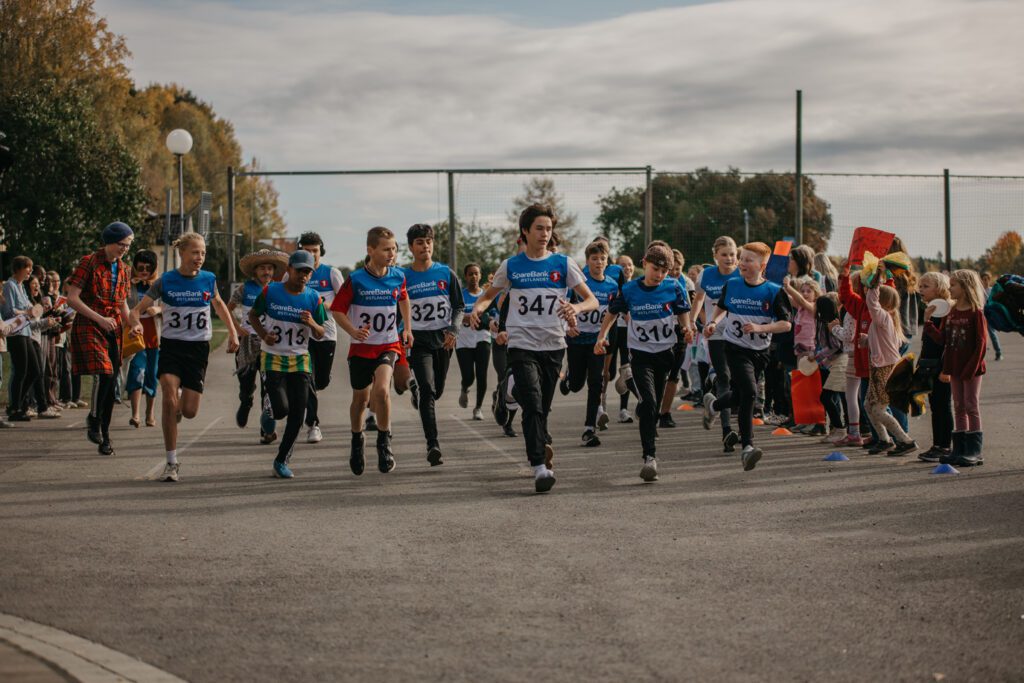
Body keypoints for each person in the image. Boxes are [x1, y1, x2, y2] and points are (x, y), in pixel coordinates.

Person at [469, 204, 597, 493]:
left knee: (544, 407)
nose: (544, 233)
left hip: (553, 345)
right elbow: (489, 296)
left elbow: (592, 300)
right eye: (539, 228)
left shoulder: (563, 264)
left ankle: (508, 394)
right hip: (522, 344)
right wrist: (478, 308)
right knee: (535, 406)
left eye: (549, 228)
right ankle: (539, 466)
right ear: (525, 231)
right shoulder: (511, 266)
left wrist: (575, 306)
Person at [129, 232, 240, 481]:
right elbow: (136, 311)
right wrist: (135, 323)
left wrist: (233, 333)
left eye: (202, 253)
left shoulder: (208, 279)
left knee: (189, 411)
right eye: (195, 252)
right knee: (168, 397)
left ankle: (178, 402)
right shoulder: (166, 281)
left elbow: (220, 305)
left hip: (197, 349)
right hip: (171, 347)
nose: (199, 257)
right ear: (182, 253)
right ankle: (171, 462)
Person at [595, 244, 692, 480]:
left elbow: (682, 311)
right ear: (644, 263)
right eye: (655, 269)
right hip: (639, 355)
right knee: (648, 402)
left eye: (664, 271)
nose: (659, 275)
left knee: (653, 407)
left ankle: (630, 384)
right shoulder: (629, 290)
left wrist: (687, 327)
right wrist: (602, 336)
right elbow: (612, 312)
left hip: (664, 354)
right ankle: (650, 458)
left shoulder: (673, 286)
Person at [702, 242, 792, 471]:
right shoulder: (731, 285)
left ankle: (714, 406)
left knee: (741, 394)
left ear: (762, 266)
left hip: (760, 352)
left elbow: (786, 325)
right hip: (734, 348)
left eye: (748, 260)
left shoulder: (773, 291)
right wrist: (713, 322)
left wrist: (761, 328)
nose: (742, 263)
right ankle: (748, 448)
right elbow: (722, 307)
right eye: (741, 259)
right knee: (750, 393)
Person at [331, 227, 412, 476]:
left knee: (381, 391)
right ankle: (357, 440)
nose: (392, 253)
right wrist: (353, 332)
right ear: (371, 250)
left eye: (395, 249)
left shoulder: (398, 276)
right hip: (361, 349)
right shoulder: (356, 279)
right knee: (361, 400)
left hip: (388, 344)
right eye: (387, 249)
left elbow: (404, 299)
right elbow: (337, 310)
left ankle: (384, 442)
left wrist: (407, 328)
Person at [247, 250, 327, 478]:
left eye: (307, 272)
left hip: (300, 360)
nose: (302, 275)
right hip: (272, 358)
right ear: (289, 270)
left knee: (298, 414)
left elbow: (321, 333)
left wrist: (312, 322)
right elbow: (253, 316)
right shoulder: (271, 291)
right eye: (299, 270)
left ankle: (281, 460)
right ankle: (269, 410)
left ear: (311, 274)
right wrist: (264, 334)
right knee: (281, 409)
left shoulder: (313, 298)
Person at [64, 224, 136, 454]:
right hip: (90, 323)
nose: (124, 249)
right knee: (104, 372)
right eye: (121, 244)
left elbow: (123, 303)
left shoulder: (124, 269)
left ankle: (105, 435)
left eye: (128, 245)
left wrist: (133, 324)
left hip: (112, 327)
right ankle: (93, 418)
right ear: (109, 241)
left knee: (111, 379)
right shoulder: (89, 262)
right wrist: (100, 318)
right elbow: (72, 298)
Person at [402, 223, 463, 466]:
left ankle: (417, 390)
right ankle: (432, 444)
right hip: (418, 341)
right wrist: (402, 333)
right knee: (428, 389)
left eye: (428, 241)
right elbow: (397, 309)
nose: (425, 246)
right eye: (419, 242)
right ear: (411, 247)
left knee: (435, 391)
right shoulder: (404, 277)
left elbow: (459, 306)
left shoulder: (446, 273)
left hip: (443, 340)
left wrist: (454, 328)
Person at [924, 270, 988, 467]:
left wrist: (971, 368)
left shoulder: (976, 313)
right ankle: (959, 449)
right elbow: (943, 339)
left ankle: (974, 451)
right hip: (955, 368)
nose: (949, 288)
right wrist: (927, 322)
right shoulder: (951, 312)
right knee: (959, 406)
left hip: (971, 369)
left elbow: (981, 344)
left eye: (953, 285)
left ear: (965, 287)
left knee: (971, 406)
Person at [562, 240, 619, 447]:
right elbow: (564, 304)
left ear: (607, 261)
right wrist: (568, 325)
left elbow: (612, 313)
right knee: (577, 385)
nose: (598, 262)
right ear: (587, 261)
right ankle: (568, 378)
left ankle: (589, 429)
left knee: (596, 382)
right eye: (594, 259)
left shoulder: (612, 285)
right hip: (577, 339)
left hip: (597, 341)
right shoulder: (580, 283)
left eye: (602, 259)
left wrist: (606, 336)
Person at [230, 249, 288, 444]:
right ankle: (245, 402)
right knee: (246, 383)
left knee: (269, 387)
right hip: (247, 342)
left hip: (269, 343)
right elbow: (226, 309)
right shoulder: (244, 289)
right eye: (262, 268)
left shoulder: (278, 289)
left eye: (270, 268)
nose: (266, 272)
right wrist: (236, 328)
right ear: (254, 271)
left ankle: (266, 429)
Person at [291, 232, 345, 443]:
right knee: (307, 379)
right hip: (301, 335)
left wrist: (320, 305)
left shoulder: (331, 273)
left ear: (320, 251)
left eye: (314, 250)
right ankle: (313, 424)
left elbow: (343, 302)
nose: (311, 254)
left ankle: (320, 383)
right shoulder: (293, 273)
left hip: (326, 333)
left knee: (320, 381)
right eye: (306, 250)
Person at [690, 237, 742, 451]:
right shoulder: (706, 275)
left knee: (743, 384)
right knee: (724, 378)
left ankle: (714, 406)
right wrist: (692, 321)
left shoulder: (743, 273)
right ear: (715, 256)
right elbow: (699, 299)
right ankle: (727, 432)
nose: (729, 258)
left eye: (732, 254)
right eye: (724, 254)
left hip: (741, 336)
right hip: (716, 333)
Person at [861, 277, 917, 456]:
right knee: (869, 405)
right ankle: (884, 440)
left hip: (886, 369)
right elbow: (882, 341)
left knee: (878, 409)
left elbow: (871, 302)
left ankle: (906, 441)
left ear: (881, 302)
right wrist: (867, 340)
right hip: (878, 368)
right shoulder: (883, 321)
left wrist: (875, 283)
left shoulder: (883, 317)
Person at [915, 272, 954, 462]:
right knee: (935, 406)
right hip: (929, 365)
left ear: (939, 288)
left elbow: (942, 341)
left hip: (942, 366)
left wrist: (928, 320)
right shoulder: (932, 309)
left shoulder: (944, 311)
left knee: (943, 406)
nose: (921, 289)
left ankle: (945, 446)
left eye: (925, 286)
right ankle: (937, 444)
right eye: (920, 286)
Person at [656, 248, 696, 429]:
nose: (673, 273)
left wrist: (689, 326)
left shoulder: (686, 283)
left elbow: (690, 306)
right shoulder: (657, 280)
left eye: (677, 269)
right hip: (659, 331)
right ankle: (651, 408)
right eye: (671, 269)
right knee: (658, 374)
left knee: (674, 374)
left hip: (679, 331)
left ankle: (665, 413)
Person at [2, 256, 44, 422]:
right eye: (28, 268)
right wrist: (27, 312)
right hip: (16, 332)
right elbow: (9, 311)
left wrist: (38, 309)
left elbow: (29, 307)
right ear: (19, 268)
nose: (30, 272)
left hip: (26, 332)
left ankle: (18, 402)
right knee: (20, 370)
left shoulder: (21, 287)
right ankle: (14, 407)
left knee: (34, 370)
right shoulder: (9, 286)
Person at [125, 250, 161, 428]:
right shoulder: (128, 285)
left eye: (148, 267)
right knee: (136, 372)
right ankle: (136, 414)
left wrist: (159, 310)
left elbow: (168, 305)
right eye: (140, 267)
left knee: (152, 375)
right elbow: (123, 305)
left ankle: (150, 413)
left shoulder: (160, 284)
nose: (144, 271)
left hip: (154, 334)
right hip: (135, 333)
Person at [456, 263, 491, 421]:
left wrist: (489, 321)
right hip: (463, 339)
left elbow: (494, 313)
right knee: (469, 376)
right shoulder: (460, 295)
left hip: (482, 337)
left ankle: (478, 408)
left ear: (480, 275)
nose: (474, 277)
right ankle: (464, 387)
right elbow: (454, 314)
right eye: (470, 274)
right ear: (466, 276)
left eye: (476, 274)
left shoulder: (486, 295)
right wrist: (466, 317)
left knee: (482, 375)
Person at [608, 255, 636, 423]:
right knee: (609, 373)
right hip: (613, 330)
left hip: (628, 332)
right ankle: (600, 406)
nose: (627, 268)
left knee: (627, 370)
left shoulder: (637, 286)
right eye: (623, 265)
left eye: (630, 264)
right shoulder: (612, 285)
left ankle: (623, 410)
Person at [980, 272, 1004, 361]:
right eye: (984, 279)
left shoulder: (992, 290)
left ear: (989, 280)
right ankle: (980, 355)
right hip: (981, 315)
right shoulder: (979, 291)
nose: (986, 281)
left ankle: (998, 352)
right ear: (981, 280)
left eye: (987, 279)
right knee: (980, 335)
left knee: (992, 333)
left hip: (990, 315)